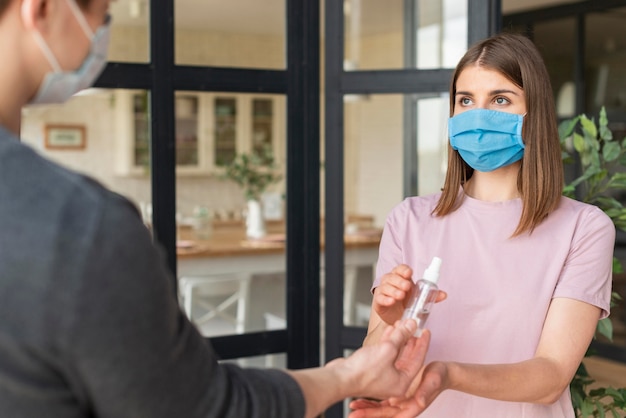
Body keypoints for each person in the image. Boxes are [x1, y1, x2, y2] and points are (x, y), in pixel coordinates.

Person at [0, 0, 436, 416]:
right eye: (101, 14)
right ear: (41, 9)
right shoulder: (82, 227)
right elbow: (199, 408)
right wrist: (345, 376)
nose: (100, 34)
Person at [350, 32, 615, 418]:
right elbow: (372, 368)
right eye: (465, 100)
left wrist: (447, 374)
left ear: (534, 113)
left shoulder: (583, 228)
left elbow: (552, 376)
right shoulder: (408, 220)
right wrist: (391, 325)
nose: (477, 116)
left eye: (500, 99)